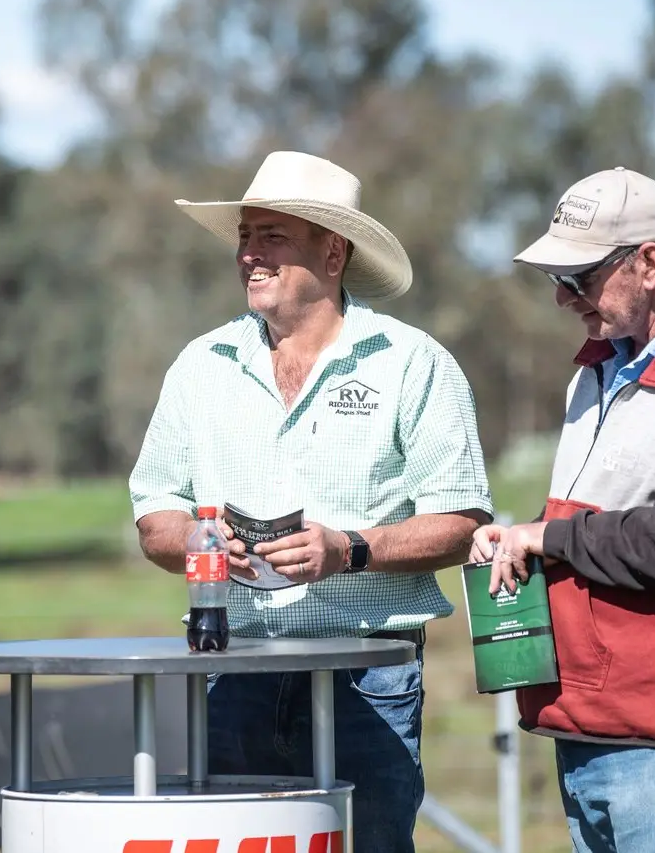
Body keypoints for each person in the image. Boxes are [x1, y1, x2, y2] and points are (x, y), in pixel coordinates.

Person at [128, 150, 493, 851]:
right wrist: (204, 543)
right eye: (245, 236)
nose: (250, 256)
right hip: (229, 669)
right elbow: (154, 517)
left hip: (368, 673)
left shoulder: (413, 363)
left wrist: (349, 548)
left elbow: (463, 520)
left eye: (272, 237)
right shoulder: (199, 368)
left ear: (333, 252)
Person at [470, 167, 655, 852]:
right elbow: (591, 516)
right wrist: (518, 539)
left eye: (580, 278)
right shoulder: (596, 365)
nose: (565, 299)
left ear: (651, 263)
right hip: (587, 725)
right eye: (556, 281)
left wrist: (552, 536)